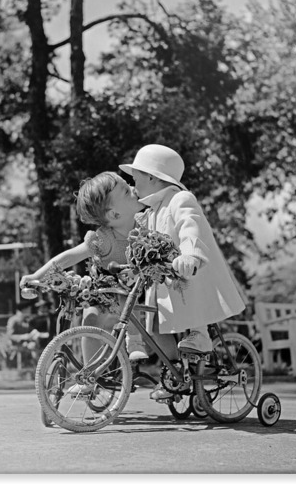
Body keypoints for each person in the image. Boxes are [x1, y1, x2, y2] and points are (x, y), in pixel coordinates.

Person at [119, 144, 248, 400]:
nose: (133, 186)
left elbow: (191, 226)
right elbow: (149, 248)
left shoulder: (180, 199)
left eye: (136, 178)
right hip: (166, 282)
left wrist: (190, 254)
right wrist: (136, 270)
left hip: (188, 273)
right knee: (154, 326)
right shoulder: (152, 211)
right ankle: (176, 374)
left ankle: (201, 336)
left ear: (153, 177)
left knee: (193, 308)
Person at [20, 171, 148, 364]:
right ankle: (90, 372)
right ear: (115, 214)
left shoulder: (146, 225)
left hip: (132, 288)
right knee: (89, 320)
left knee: (126, 300)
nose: (133, 188)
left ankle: (136, 342)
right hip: (103, 288)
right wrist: (37, 275)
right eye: (126, 191)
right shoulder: (103, 238)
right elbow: (68, 257)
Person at [6, 300, 48, 365]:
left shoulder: (26, 320)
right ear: (24, 309)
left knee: (38, 345)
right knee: (34, 347)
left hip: (26, 344)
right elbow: (10, 336)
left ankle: (41, 366)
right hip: (14, 345)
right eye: (29, 308)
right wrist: (25, 336)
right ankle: (40, 367)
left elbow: (32, 332)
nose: (31, 310)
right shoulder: (13, 320)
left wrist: (41, 334)